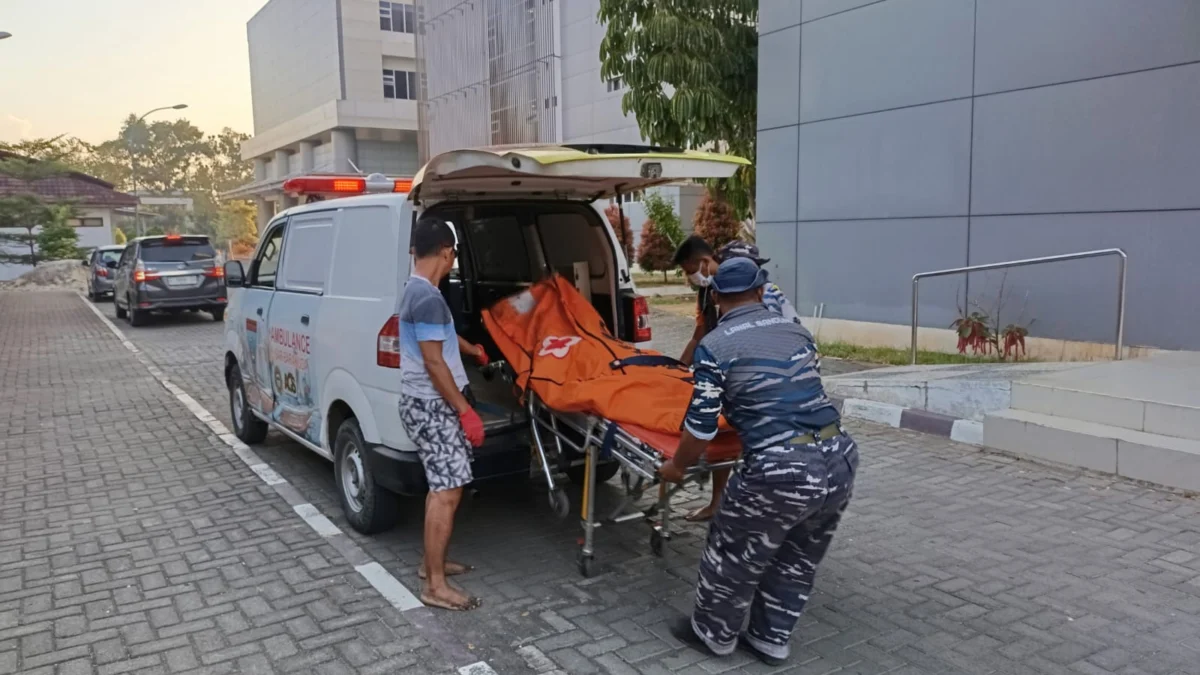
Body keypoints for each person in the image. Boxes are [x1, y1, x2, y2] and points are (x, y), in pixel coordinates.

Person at [659, 257, 857, 665]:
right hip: (839, 457)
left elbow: (701, 426)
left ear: (715, 297)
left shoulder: (714, 346)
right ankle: (770, 639)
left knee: (734, 551)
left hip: (780, 467)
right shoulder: (798, 332)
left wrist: (677, 467)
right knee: (799, 555)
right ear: (763, 291)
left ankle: (713, 634)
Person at [671, 236, 801, 522]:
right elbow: (701, 335)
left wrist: (678, 464)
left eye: (690, 269)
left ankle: (768, 510)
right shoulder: (709, 294)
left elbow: (777, 343)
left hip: (770, 382)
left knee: (762, 444)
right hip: (739, 377)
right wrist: (678, 370)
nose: (690, 277)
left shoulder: (763, 295)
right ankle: (720, 502)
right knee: (725, 431)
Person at [397, 216, 490, 611]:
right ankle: (434, 585)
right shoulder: (429, 298)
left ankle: (429, 564)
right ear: (448, 252)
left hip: (423, 404)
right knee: (446, 493)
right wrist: (466, 411)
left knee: (446, 486)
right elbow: (434, 364)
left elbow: (440, 339)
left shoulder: (417, 290)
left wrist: (472, 351)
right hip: (433, 407)